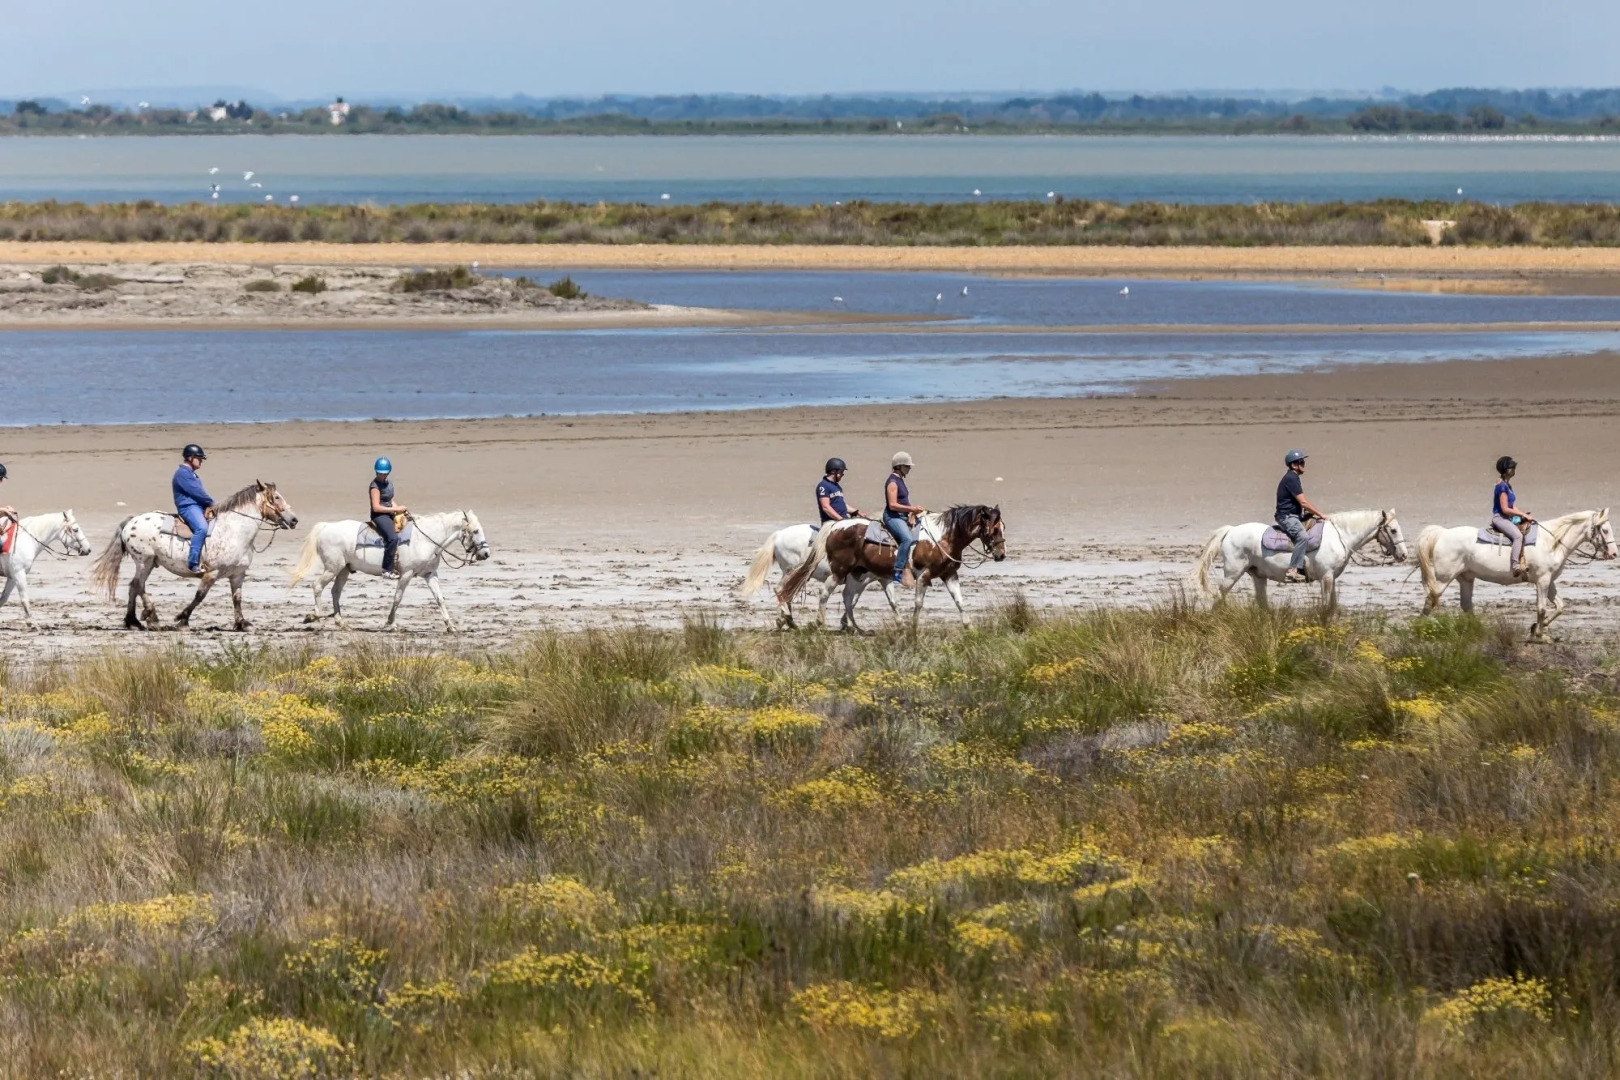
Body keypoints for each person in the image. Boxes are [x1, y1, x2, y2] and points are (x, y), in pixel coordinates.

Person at [1276, 449, 1328, 585]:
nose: (1304, 464)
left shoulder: (1293, 477)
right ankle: (1293, 570)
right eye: (1301, 462)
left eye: (1303, 462)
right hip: (1286, 517)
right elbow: (1304, 502)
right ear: (1294, 465)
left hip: (1295, 515)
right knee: (1302, 536)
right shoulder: (1291, 478)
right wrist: (1320, 513)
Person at [883, 451, 927, 586]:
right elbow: (893, 505)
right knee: (907, 538)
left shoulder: (900, 480)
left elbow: (904, 502)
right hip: (893, 516)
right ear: (899, 466)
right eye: (907, 466)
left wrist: (913, 513)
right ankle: (898, 570)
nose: (909, 469)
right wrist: (912, 509)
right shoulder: (892, 482)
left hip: (902, 515)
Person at [172, 444, 214, 574]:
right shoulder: (183, 474)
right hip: (188, 507)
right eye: (199, 458)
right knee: (202, 528)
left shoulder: (191, 474)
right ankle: (193, 563)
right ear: (190, 458)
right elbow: (196, 492)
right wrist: (211, 503)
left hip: (198, 505)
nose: (201, 461)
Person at [1491, 455, 1534, 578]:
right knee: (1518, 536)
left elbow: (1512, 506)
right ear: (1507, 470)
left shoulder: (1507, 486)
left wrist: (1524, 515)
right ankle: (1515, 565)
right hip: (1500, 518)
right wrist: (1521, 514)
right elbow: (1505, 509)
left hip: (1507, 517)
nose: (1514, 470)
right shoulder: (1502, 487)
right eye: (1512, 468)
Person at [368, 456, 410, 578]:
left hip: (390, 512)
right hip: (379, 516)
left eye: (384, 473)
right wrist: (396, 509)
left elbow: (389, 500)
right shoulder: (374, 486)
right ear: (376, 472)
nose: (382, 475)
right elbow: (376, 507)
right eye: (380, 473)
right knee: (392, 538)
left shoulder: (389, 483)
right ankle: (386, 569)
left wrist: (401, 511)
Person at [816, 458, 862, 523]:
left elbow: (842, 505)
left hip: (842, 520)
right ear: (833, 471)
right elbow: (826, 507)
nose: (843, 475)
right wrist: (840, 519)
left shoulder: (837, 487)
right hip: (832, 522)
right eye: (841, 472)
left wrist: (857, 512)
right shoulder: (823, 486)